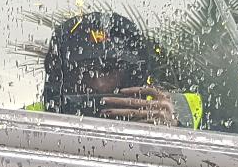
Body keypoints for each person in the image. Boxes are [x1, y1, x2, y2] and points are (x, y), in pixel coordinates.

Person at [27, 11, 206, 129]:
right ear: (62, 75)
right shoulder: (26, 120)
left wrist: (173, 132)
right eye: (86, 70)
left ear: (132, 74)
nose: (99, 83)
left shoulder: (187, 111)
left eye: (110, 70)